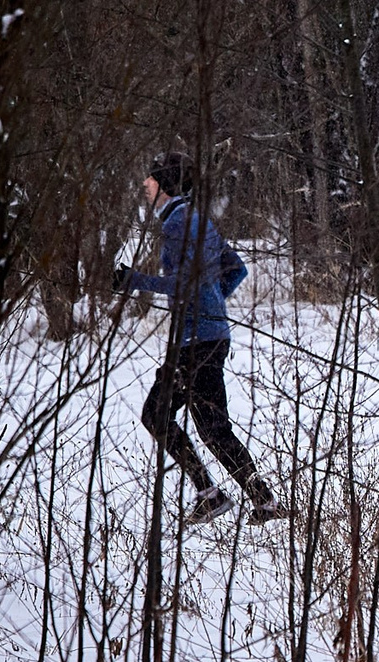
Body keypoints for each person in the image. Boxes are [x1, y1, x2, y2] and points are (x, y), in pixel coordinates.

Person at [115, 152, 285, 524]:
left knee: (160, 416)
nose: (144, 185)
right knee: (210, 426)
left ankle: (219, 495)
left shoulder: (177, 224)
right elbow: (236, 269)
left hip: (195, 340)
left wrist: (133, 281)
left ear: (165, 184)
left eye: (151, 179)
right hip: (207, 336)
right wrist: (210, 303)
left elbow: (181, 282)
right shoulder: (199, 220)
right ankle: (257, 500)